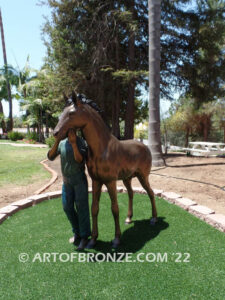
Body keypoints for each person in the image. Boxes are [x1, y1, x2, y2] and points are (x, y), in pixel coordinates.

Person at [47, 129, 91, 250]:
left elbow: (80, 159)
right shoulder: (61, 143)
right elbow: (50, 157)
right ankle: (77, 232)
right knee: (67, 207)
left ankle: (84, 237)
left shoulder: (81, 142)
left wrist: (73, 144)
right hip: (67, 182)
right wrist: (56, 141)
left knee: (82, 208)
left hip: (79, 181)